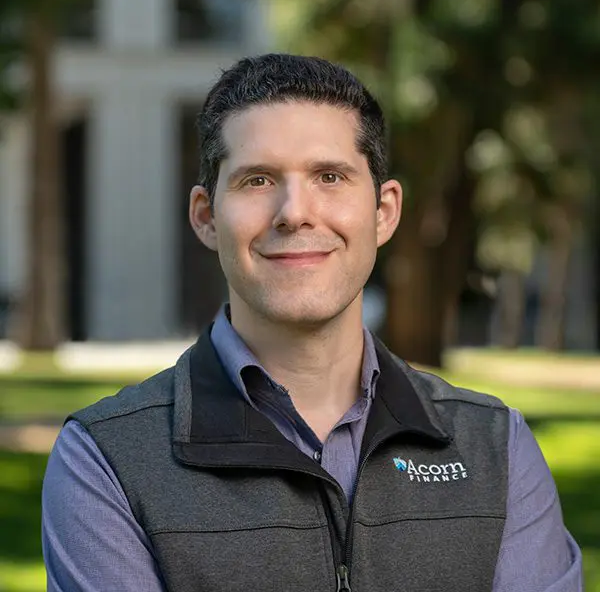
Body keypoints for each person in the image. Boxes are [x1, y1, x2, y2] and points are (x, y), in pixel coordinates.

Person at [42, 54, 582, 592]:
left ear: (383, 212)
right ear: (207, 216)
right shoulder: (106, 461)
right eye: (257, 179)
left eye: (329, 176)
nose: (294, 211)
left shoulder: (496, 447)